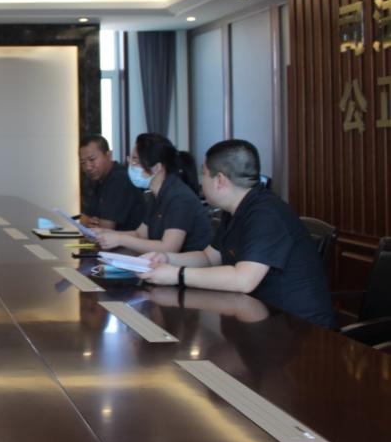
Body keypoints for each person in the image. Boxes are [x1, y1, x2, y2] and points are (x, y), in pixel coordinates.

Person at [140, 139, 336, 329]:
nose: (201, 181)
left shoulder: (266, 213)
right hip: (258, 317)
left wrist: (177, 274)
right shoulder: (235, 210)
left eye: (204, 174)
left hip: (298, 329)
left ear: (220, 180)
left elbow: (244, 280)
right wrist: (167, 259)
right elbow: (209, 257)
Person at [94, 133, 212, 254]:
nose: (130, 165)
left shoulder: (179, 197)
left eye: (135, 160)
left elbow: (168, 248)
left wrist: (121, 239)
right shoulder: (155, 195)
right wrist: (105, 233)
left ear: (157, 168)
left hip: (186, 264)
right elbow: (140, 234)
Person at [78, 134, 146, 231]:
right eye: (83, 162)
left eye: (92, 159)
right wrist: (89, 222)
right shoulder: (100, 179)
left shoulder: (119, 179)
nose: (88, 167)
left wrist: (92, 224)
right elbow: (83, 220)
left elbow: (105, 229)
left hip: (129, 239)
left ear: (108, 155)